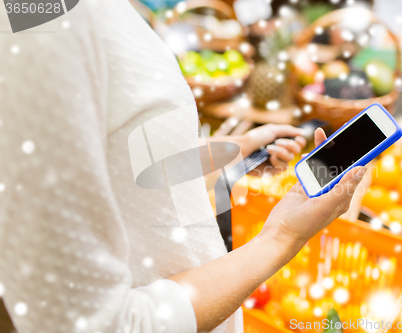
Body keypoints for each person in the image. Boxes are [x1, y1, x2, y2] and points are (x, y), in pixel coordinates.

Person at [0, 1, 366, 332]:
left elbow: (125, 175)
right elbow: (98, 325)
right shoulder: (37, 22)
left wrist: (235, 152)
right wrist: (282, 237)